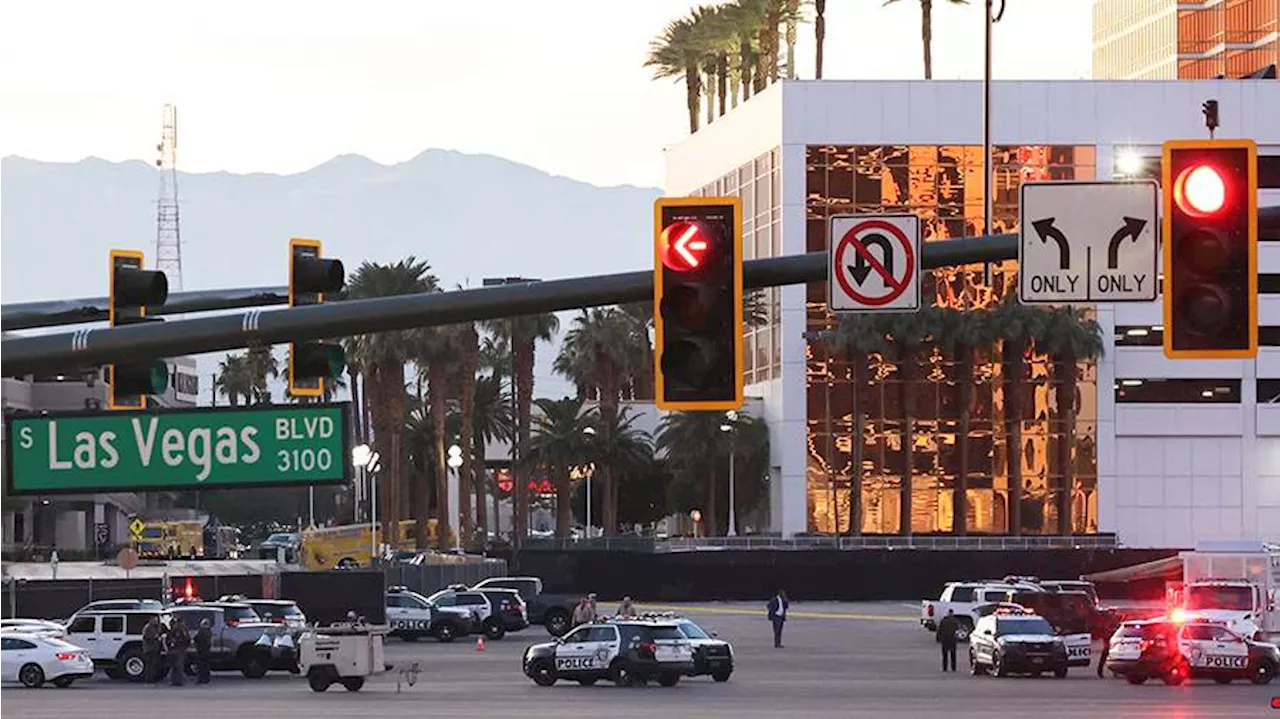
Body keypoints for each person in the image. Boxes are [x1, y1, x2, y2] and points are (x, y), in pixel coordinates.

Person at [166, 616, 190, 686]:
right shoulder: (177, 630)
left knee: (177, 666)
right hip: (177, 650)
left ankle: (176, 681)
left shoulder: (181, 629)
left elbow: (187, 639)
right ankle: (176, 681)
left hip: (180, 649)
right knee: (177, 666)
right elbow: (173, 640)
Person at [141, 615, 163, 684]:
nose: (156, 621)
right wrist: (155, 638)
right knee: (149, 665)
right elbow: (147, 637)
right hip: (149, 649)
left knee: (154, 665)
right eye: (154, 620)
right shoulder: (148, 628)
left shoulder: (154, 627)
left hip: (154, 649)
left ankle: (152, 678)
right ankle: (149, 679)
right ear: (151, 620)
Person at [194, 619, 213, 685]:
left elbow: (196, 638)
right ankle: (206, 679)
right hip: (207, 650)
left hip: (201, 650)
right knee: (206, 665)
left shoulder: (202, 631)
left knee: (201, 666)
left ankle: (201, 679)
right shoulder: (209, 631)